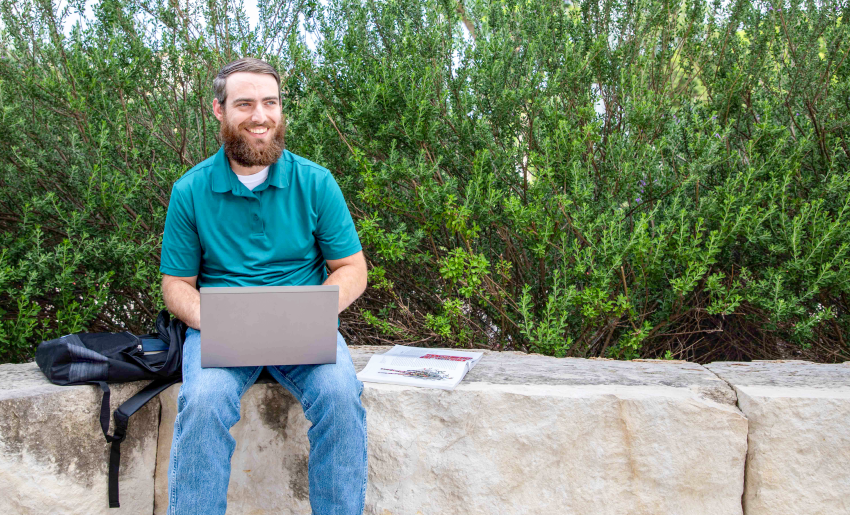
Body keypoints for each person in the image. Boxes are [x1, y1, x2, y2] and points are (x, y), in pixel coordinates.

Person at [159, 57, 368, 515]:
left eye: (270, 102)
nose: (260, 116)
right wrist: (212, 321)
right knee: (203, 403)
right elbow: (176, 284)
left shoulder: (316, 182)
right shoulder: (189, 191)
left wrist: (313, 310)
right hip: (220, 331)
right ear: (219, 110)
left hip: (303, 333)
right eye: (245, 103)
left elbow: (352, 268)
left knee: (340, 397)